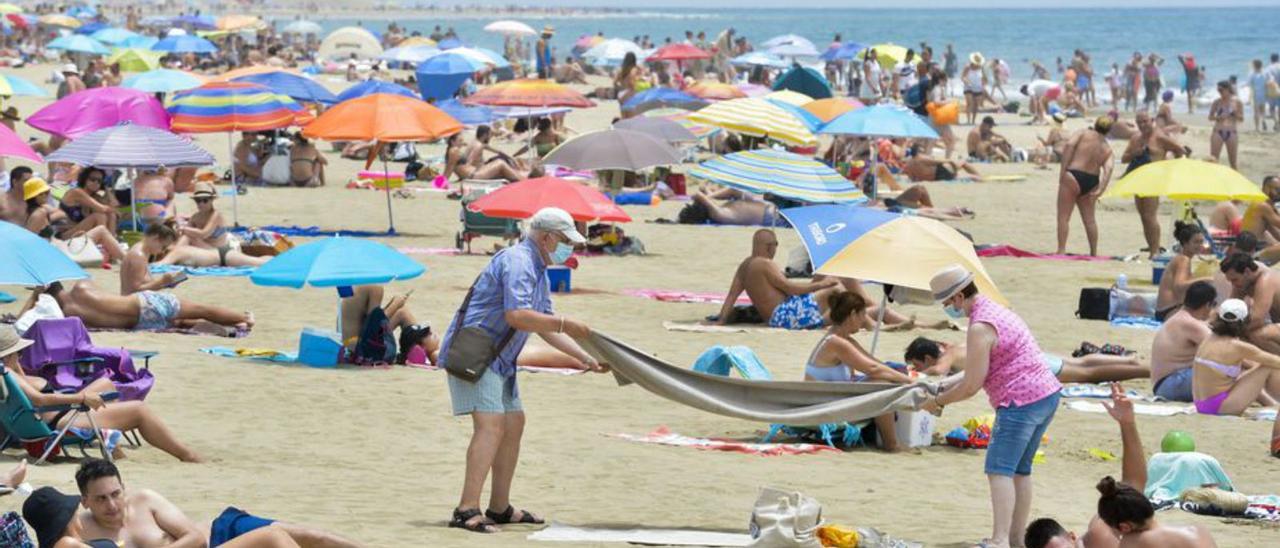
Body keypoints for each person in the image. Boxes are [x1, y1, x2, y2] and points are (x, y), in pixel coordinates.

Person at [439, 207, 607, 534]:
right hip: (478, 354)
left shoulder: (538, 267)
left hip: (500, 359)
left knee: (514, 423)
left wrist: (584, 358)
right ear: (546, 237)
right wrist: (566, 323)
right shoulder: (518, 261)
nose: (568, 248)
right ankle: (466, 509)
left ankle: (499, 507)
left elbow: (544, 325)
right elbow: (518, 315)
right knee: (491, 426)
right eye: (564, 240)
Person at [921, 265, 1063, 548]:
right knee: (1021, 470)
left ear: (960, 296)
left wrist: (936, 402)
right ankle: (1015, 539)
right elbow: (980, 366)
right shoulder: (997, 311)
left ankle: (999, 539)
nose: (949, 308)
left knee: (999, 470)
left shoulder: (979, 326)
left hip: (1020, 400)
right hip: (1046, 393)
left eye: (948, 303)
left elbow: (972, 385)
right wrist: (942, 386)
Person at [1024, 384, 1217, 548]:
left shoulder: (1105, 533)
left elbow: (1133, 481)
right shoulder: (1192, 531)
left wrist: (1127, 423)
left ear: (1073, 537)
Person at [22, 459, 359, 548]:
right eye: (101, 498)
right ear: (85, 501)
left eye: (116, 493)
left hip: (217, 533)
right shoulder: (80, 533)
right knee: (276, 538)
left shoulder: (144, 500)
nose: (112, 504)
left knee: (309, 536)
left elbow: (195, 537)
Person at [0, 325, 202, 462]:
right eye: (18, 352)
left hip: (51, 415)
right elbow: (39, 399)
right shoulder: (7, 373)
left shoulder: (7, 374)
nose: (21, 356)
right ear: (6, 355)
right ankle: (187, 455)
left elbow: (27, 393)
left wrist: (13, 360)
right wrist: (81, 397)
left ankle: (107, 434)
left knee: (106, 384)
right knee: (139, 410)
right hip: (58, 421)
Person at [805, 291, 912, 452]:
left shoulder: (844, 340)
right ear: (853, 314)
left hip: (831, 399)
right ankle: (892, 445)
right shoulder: (836, 342)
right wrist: (908, 381)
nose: (863, 321)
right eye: (862, 315)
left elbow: (875, 363)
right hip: (821, 405)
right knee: (881, 385)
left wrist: (901, 375)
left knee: (887, 377)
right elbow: (873, 369)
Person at [33, 280, 253, 334]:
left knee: (183, 322)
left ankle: (230, 328)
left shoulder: (68, 316)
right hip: (143, 303)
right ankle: (244, 318)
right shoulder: (81, 287)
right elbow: (114, 297)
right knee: (202, 309)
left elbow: (28, 315)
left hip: (139, 323)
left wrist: (35, 295)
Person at [904, 337, 1148, 383]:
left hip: (1027, 366)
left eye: (918, 364)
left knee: (1087, 374)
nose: (918, 369)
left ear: (927, 358)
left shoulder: (949, 356)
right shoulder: (954, 347)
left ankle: (1141, 370)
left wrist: (915, 376)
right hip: (1027, 355)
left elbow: (938, 371)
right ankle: (1132, 363)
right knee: (1083, 364)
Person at [1193, 298, 1280, 416]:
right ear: (1245, 321)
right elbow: (1275, 361)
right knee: (1266, 367)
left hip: (1201, 405)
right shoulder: (1237, 346)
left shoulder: (1209, 339)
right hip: (1219, 407)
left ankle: (1273, 403)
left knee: (1254, 369)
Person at [1121, 112, 1189, 258]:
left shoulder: (1160, 137)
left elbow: (1181, 150)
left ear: (1151, 120)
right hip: (1139, 179)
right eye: (1139, 122)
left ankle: (1155, 251)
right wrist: (1135, 153)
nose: (1143, 125)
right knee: (1143, 216)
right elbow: (1124, 158)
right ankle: (1152, 246)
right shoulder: (1135, 138)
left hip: (1153, 181)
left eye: (1145, 121)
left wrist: (1170, 168)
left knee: (1150, 215)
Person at [22, 178, 126, 264]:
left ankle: (123, 258)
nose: (46, 195)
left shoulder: (40, 209)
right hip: (59, 254)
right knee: (101, 230)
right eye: (41, 194)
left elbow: (60, 213)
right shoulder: (39, 213)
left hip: (60, 248)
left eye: (46, 192)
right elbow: (27, 241)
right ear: (32, 197)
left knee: (101, 228)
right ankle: (128, 260)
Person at [1056, 116, 1114, 256]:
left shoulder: (1082, 133)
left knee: (1063, 217)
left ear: (1095, 123)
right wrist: (1101, 189)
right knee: (1090, 220)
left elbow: (1069, 145)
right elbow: (1108, 169)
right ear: (1108, 130)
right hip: (1092, 180)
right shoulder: (1107, 148)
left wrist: (1063, 169)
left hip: (1073, 175)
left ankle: (1061, 249)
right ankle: (1093, 252)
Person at [171, 183, 267, 267]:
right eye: (198, 200)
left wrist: (183, 228)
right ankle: (173, 254)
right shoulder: (195, 217)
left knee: (258, 263)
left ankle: (173, 255)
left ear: (212, 200)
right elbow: (185, 233)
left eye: (205, 200)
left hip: (223, 251)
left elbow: (204, 233)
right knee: (186, 237)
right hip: (209, 250)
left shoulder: (216, 215)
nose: (201, 203)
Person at [1150, 281, 1216, 403]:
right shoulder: (1190, 324)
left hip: (1163, 385)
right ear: (1208, 305)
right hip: (1171, 385)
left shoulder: (1178, 318)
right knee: (1227, 369)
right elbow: (1224, 349)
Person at [1219, 252, 1280, 354]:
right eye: (1230, 281)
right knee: (1240, 334)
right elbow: (1228, 307)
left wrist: (1225, 331)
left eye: (1235, 280)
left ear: (1247, 272)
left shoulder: (1265, 280)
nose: (1233, 284)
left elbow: (1257, 319)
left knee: (1255, 334)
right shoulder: (1245, 276)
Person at [1155, 222, 1213, 318]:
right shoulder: (1183, 260)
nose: (1199, 245)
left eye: (1201, 242)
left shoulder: (1182, 259)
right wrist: (1207, 279)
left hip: (1167, 309)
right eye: (1196, 242)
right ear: (1185, 243)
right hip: (1170, 310)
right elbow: (1179, 285)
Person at [59, 167, 120, 237]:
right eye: (93, 179)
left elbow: (114, 204)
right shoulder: (76, 192)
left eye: (99, 181)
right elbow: (103, 209)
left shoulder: (94, 196)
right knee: (99, 216)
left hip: (80, 232)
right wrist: (115, 210)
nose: (96, 183)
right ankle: (105, 241)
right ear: (85, 179)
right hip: (65, 233)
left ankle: (111, 240)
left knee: (111, 215)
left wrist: (105, 188)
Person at [1207, 80, 1242, 170]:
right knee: (1213, 160)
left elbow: (1241, 119)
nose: (1220, 93)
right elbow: (1210, 117)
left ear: (1228, 89)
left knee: (1233, 162)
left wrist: (1235, 114)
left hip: (1231, 132)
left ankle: (1235, 182)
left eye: (1221, 90)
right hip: (1218, 131)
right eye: (1218, 91)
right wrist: (1218, 118)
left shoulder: (1237, 102)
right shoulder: (1217, 102)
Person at [901, 149, 983, 182]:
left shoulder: (908, 164)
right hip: (942, 173)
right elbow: (943, 162)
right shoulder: (921, 159)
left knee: (959, 170)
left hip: (936, 177)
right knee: (963, 163)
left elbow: (912, 179)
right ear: (918, 153)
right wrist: (954, 167)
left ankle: (976, 177)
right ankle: (979, 177)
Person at [962, 53, 988, 125]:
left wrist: (984, 85)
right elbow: (963, 76)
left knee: (976, 105)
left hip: (978, 87)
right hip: (968, 87)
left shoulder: (981, 68)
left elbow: (984, 78)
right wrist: (966, 81)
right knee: (969, 103)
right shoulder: (968, 67)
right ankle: (968, 120)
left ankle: (973, 121)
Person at [1248, 59, 1270, 132]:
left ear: (1254, 65)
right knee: (1262, 110)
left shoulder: (1252, 73)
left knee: (1256, 111)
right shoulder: (1265, 72)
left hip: (1255, 94)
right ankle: (1263, 120)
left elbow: (1250, 84)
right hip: (1264, 93)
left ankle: (1257, 128)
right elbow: (1268, 82)